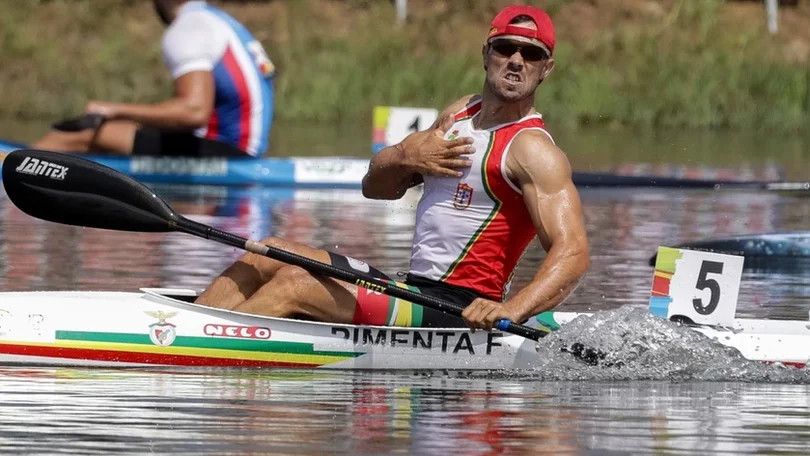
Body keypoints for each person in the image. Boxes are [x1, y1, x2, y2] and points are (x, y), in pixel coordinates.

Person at [195, 4, 590, 331]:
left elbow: (573, 253)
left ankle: (198, 348)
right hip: (413, 291)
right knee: (268, 253)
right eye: (506, 48)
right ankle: (187, 326)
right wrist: (404, 158)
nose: (517, 61)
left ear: (546, 68)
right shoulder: (458, 114)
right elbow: (376, 186)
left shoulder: (533, 151)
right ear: (487, 53)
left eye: (532, 54)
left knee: (295, 285)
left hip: (461, 310)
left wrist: (513, 309)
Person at [32, 0, 275, 158]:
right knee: (119, 136)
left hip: (226, 152)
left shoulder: (189, 28)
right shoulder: (217, 20)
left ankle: (13, 169)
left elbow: (193, 112)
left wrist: (113, 110)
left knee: (81, 135)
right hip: (243, 149)